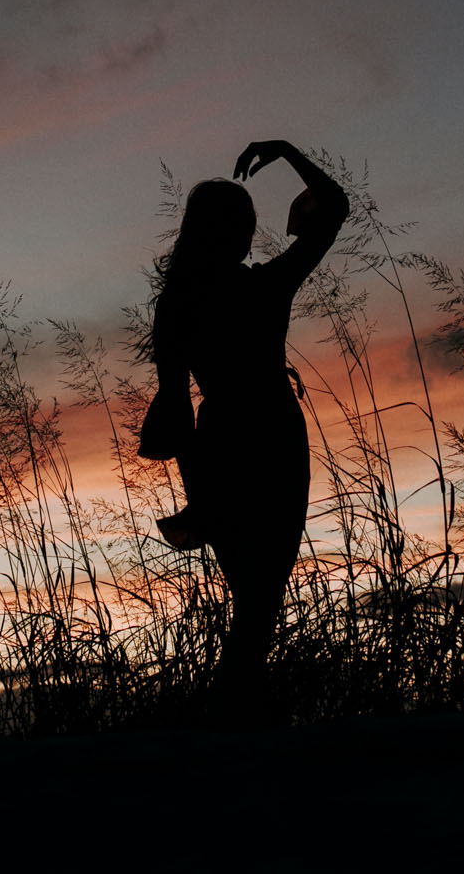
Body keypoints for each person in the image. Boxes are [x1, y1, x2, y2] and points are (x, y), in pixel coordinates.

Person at [145, 139, 349, 709]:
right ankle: (233, 724)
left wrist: (199, 491)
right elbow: (334, 207)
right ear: (235, 232)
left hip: (219, 446)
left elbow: (174, 407)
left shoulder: (178, 303)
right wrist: (286, 153)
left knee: (252, 602)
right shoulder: (265, 286)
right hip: (275, 440)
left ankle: (233, 724)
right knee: (262, 602)